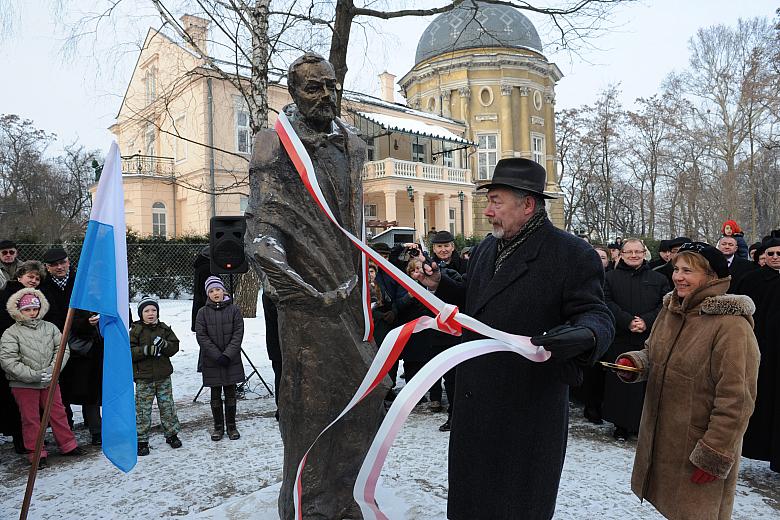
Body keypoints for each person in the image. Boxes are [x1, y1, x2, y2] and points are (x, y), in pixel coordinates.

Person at [414, 158, 614, 520]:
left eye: (496, 202)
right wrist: (440, 285)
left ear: (528, 205)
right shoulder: (487, 249)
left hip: (525, 409)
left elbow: (598, 315)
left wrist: (584, 334)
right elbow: (479, 304)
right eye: (487, 200)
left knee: (516, 504)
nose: (488, 211)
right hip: (474, 402)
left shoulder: (571, 254)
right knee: (470, 503)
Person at [245, 52, 387, 518]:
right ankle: (308, 505)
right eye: (313, 87)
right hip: (307, 304)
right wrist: (279, 268)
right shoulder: (275, 143)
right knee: (310, 409)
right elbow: (265, 221)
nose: (325, 95)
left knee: (367, 398)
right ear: (293, 91)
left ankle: (341, 498)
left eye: (330, 85)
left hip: (350, 298)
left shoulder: (352, 145)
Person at [614, 242, 759, 519]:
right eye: (677, 269)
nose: (678, 277)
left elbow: (737, 400)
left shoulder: (731, 326)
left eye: (688, 271)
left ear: (712, 277)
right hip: (666, 442)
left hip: (698, 448)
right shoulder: (672, 311)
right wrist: (635, 363)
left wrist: (714, 453)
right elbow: (653, 351)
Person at [0, 288, 82, 466]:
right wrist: (34, 375)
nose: (31, 313)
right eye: (27, 309)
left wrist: (53, 370)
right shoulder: (11, 333)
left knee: (58, 413)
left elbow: (61, 350)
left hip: (50, 380)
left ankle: (68, 444)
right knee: (31, 419)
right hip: (24, 384)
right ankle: (36, 452)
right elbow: (8, 360)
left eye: (34, 309)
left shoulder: (50, 328)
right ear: (19, 310)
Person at [602, 239, 669, 440]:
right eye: (629, 252)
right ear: (621, 254)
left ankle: (642, 425)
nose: (633, 255)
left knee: (645, 386)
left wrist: (646, 321)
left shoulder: (658, 278)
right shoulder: (610, 278)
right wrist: (628, 321)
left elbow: (666, 304)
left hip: (648, 340)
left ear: (644, 253)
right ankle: (620, 425)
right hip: (620, 337)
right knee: (620, 383)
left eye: (637, 252)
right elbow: (605, 301)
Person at [735, 235, 780, 472]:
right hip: (761, 352)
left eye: (779, 254)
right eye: (770, 253)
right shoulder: (751, 280)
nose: (774, 258)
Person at [0, 261, 46, 455]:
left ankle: (32, 441)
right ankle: (22, 441)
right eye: (30, 277)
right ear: (19, 277)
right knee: (18, 403)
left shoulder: (35, 297)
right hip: (14, 356)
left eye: (37, 278)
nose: (33, 280)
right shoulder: (8, 295)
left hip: (33, 355)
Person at [195, 276, 245, 442]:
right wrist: (217, 355)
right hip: (212, 361)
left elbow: (238, 334)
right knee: (215, 396)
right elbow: (202, 336)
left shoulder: (234, 310)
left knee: (231, 394)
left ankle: (231, 426)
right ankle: (218, 428)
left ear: (223, 290)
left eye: (217, 289)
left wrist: (227, 354)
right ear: (207, 294)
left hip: (231, 360)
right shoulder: (202, 313)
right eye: (211, 291)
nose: (215, 293)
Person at [130, 298, 182, 456]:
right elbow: (129, 351)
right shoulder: (136, 330)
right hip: (144, 378)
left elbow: (175, 346)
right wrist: (145, 350)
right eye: (146, 311)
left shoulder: (164, 328)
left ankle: (172, 434)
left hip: (163, 376)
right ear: (141, 314)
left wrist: (165, 345)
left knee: (167, 407)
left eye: (153, 310)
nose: (150, 314)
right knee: (142, 411)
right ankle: (142, 439)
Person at [191, 245, 213, 332]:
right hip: (206, 311)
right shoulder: (207, 268)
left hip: (201, 309)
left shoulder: (201, 266)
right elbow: (206, 293)